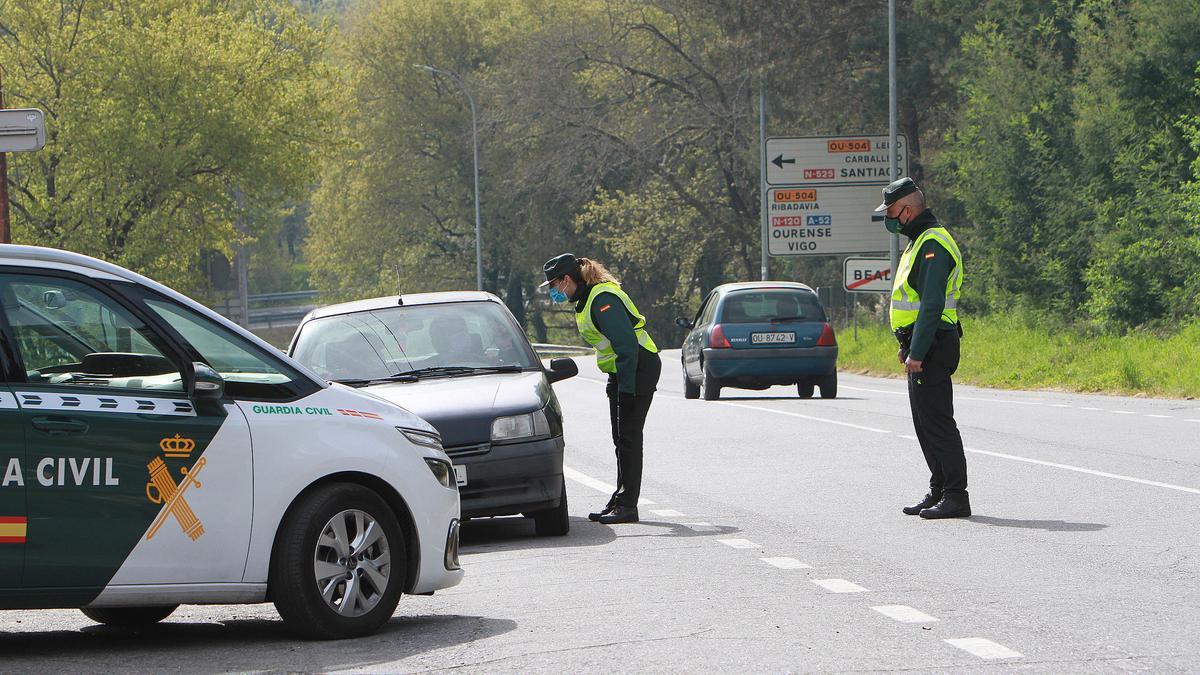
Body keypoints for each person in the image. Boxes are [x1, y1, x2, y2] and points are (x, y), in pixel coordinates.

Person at [540, 253, 661, 525]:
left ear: (566, 280)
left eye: (553, 286)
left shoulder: (602, 299)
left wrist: (627, 390)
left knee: (629, 439)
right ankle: (621, 497)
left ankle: (628, 505)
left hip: (638, 367)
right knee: (621, 439)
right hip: (621, 371)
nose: (553, 293)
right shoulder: (586, 299)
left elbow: (627, 345)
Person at [874, 177, 971, 519]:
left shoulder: (933, 243)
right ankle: (939, 489)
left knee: (938, 421)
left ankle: (957, 495)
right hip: (923, 342)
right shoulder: (918, 242)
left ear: (907, 209)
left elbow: (931, 305)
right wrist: (908, 345)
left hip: (934, 344)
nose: (890, 219)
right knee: (924, 422)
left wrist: (917, 351)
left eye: (892, 212)